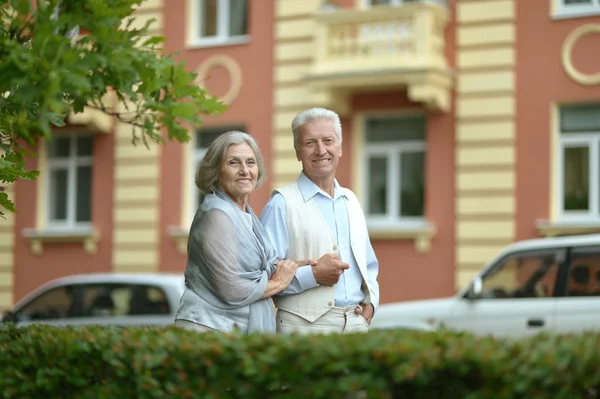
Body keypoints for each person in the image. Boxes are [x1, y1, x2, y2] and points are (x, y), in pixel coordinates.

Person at [174, 131, 314, 334]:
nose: (244, 170)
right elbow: (233, 290)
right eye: (233, 163)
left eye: (250, 162)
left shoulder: (242, 213)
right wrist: (281, 280)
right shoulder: (217, 215)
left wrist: (292, 267)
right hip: (208, 328)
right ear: (215, 171)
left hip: (230, 329)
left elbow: (252, 271)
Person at [260, 107, 380, 334]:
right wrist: (312, 276)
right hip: (303, 328)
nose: (321, 150)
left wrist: (371, 304)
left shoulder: (351, 200)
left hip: (356, 324)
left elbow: (369, 265)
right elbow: (263, 275)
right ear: (297, 152)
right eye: (309, 143)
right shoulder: (281, 203)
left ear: (340, 147)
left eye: (328, 140)